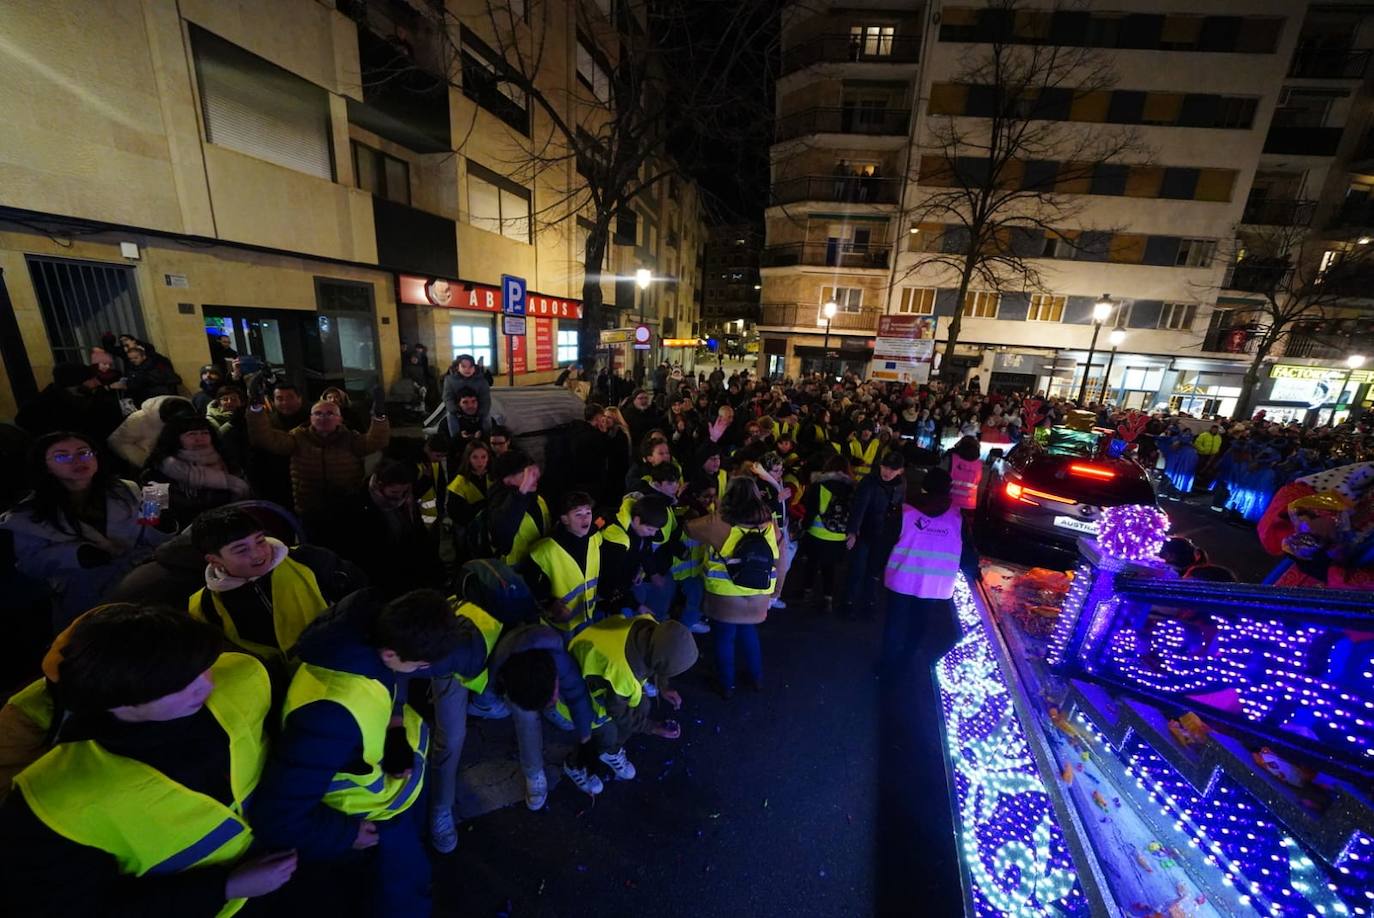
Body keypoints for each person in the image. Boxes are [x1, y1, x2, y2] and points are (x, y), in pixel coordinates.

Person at [0, 604, 299, 916]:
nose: (206, 685)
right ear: (115, 701)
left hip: (294, 866)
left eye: (202, 667)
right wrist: (226, 886)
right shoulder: (54, 800)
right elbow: (76, 906)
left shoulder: (242, 678)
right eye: (179, 685)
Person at [251, 588, 489, 916]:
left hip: (395, 803)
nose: (422, 671)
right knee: (398, 900)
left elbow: (391, 680)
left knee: (413, 873)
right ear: (391, 654)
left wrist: (394, 729)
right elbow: (277, 816)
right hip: (370, 827)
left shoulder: (369, 632)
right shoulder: (328, 715)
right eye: (421, 665)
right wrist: (347, 835)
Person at [1, 431, 172, 629]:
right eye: (62, 456)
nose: (77, 460)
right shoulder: (28, 515)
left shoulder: (126, 489)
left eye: (84, 453)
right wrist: (77, 554)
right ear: (45, 465)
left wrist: (161, 525)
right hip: (87, 593)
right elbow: (31, 562)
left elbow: (147, 532)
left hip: (143, 578)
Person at [189, 506, 364, 668]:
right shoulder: (205, 606)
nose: (258, 554)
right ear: (214, 560)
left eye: (260, 541)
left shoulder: (309, 560)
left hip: (343, 665)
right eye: (241, 550)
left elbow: (361, 597)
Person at [562, 615, 699, 786]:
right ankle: (575, 764)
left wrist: (663, 687)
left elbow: (657, 656)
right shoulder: (622, 674)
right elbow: (616, 710)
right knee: (607, 734)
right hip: (579, 698)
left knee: (643, 705)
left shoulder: (648, 626)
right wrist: (653, 728)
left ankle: (610, 750)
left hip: (584, 658)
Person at [245, 392, 391, 541]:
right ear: (311, 418)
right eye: (318, 413)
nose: (323, 417)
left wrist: (379, 418)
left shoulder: (350, 438)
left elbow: (375, 441)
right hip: (310, 509)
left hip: (346, 507)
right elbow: (266, 438)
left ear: (340, 419)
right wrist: (256, 409)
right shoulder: (298, 437)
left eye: (330, 413)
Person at [879, 468, 962, 674]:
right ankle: (906, 663)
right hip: (934, 585)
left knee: (894, 624)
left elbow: (886, 539)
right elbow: (967, 549)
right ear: (947, 488)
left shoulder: (905, 510)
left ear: (925, 485)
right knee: (919, 625)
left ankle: (886, 666)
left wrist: (875, 568)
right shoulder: (957, 516)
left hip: (902, 579)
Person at [701, 477, 778, 699]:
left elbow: (689, 529)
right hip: (758, 592)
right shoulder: (768, 523)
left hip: (725, 593)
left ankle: (726, 685)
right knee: (748, 632)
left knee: (724, 637)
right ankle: (756, 678)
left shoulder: (719, 522)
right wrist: (776, 592)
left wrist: (710, 508)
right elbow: (779, 559)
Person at [342, 459, 443, 597]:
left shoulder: (408, 502)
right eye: (395, 492)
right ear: (379, 486)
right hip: (384, 581)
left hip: (411, 576)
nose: (400, 497)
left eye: (405, 491)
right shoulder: (360, 508)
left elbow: (419, 536)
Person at [522, 491, 604, 636]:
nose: (585, 518)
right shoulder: (544, 550)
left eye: (588, 513)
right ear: (565, 519)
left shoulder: (595, 538)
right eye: (578, 514)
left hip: (587, 615)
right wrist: (551, 604)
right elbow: (531, 586)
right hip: (559, 624)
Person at [142, 414, 251, 520]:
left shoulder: (226, 461)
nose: (200, 439)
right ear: (175, 439)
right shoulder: (157, 471)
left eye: (204, 433)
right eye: (192, 434)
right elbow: (151, 517)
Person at [842, 450, 906, 620]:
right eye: (885, 467)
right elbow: (859, 507)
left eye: (892, 469)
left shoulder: (900, 485)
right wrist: (853, 531)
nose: (887, 472)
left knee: (874, 571)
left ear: (900, 471)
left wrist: (899, 534)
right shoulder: (870, 482)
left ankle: (868, 602)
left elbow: (900, 510)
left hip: (884, 535)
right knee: (857, 569)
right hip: (865, 532)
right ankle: (848, 602)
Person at [797, 454, 854, 614]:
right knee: (830, 568)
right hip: (838, 537)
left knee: (811, 564)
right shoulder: (851, 488)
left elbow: (811, 511)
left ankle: (807, 592)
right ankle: (828, 598)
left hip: (816, 533)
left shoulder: (819, 485)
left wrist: (803, 527)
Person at [15, 363, 124, 442]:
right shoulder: (38, 407)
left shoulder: (95, 399)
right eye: (91, 379)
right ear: (76, 383)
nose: (97, 383)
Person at [483, 450, 550, 565]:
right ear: (508, 480)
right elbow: (501, 533)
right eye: (525, 475)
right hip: (516, 569)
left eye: (532, 473)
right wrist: (522, 491)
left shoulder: (535, 497)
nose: (532, 478)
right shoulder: (499, 501)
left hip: (540, 562)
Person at [107, 395, 196, 470]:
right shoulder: (140, 418)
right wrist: (145, 460)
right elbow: (116, 442)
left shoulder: (188, 413)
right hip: (152, 465)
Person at [446, 440, 492, 552]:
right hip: (468, 529)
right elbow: (454, 512)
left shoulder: (494, 476)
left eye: (483, 457)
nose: (480, 462)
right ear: (468, 459)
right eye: (475, 457)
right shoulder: (460, 482)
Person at [443, 354, 491, 439]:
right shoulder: (450, 380)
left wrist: (481, 412)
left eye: (470, 367)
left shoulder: (481, 381)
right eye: (464, 366)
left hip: (477, 408)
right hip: (458, 409)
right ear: (458, 367)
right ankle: (456, 439)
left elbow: (485, 399)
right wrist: (455, 410)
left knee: (486, 416)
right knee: (450, 416)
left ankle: (487, 437)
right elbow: (448, 397)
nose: (467, 369)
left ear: (474, 367)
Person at [118, 345, 182, 407]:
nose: (133, 360)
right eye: (130, 359)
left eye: (136, 358)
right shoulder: (133, 369)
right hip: (146, 402)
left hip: (160, 400)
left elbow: (174, 379)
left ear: (144, 357)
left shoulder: (154, 366)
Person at [945, 435, 982, 512]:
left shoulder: (952, 458)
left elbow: (939, 476)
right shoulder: (979, 464)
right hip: (969, 505)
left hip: (949, 502)